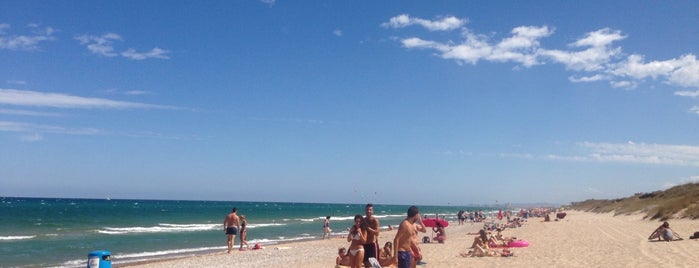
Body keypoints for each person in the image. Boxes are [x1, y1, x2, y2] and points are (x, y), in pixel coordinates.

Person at [362, 204, 380, 268]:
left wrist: (368, 228)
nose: (368, 211)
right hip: (365, 244)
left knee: (374, 264)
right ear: (365, 210)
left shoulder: (375, 220)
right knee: (366, 263)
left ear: (372, 211)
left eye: (370, 210)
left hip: (372, 244)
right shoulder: (363, 220)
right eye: (367, 210)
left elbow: (377, 233)